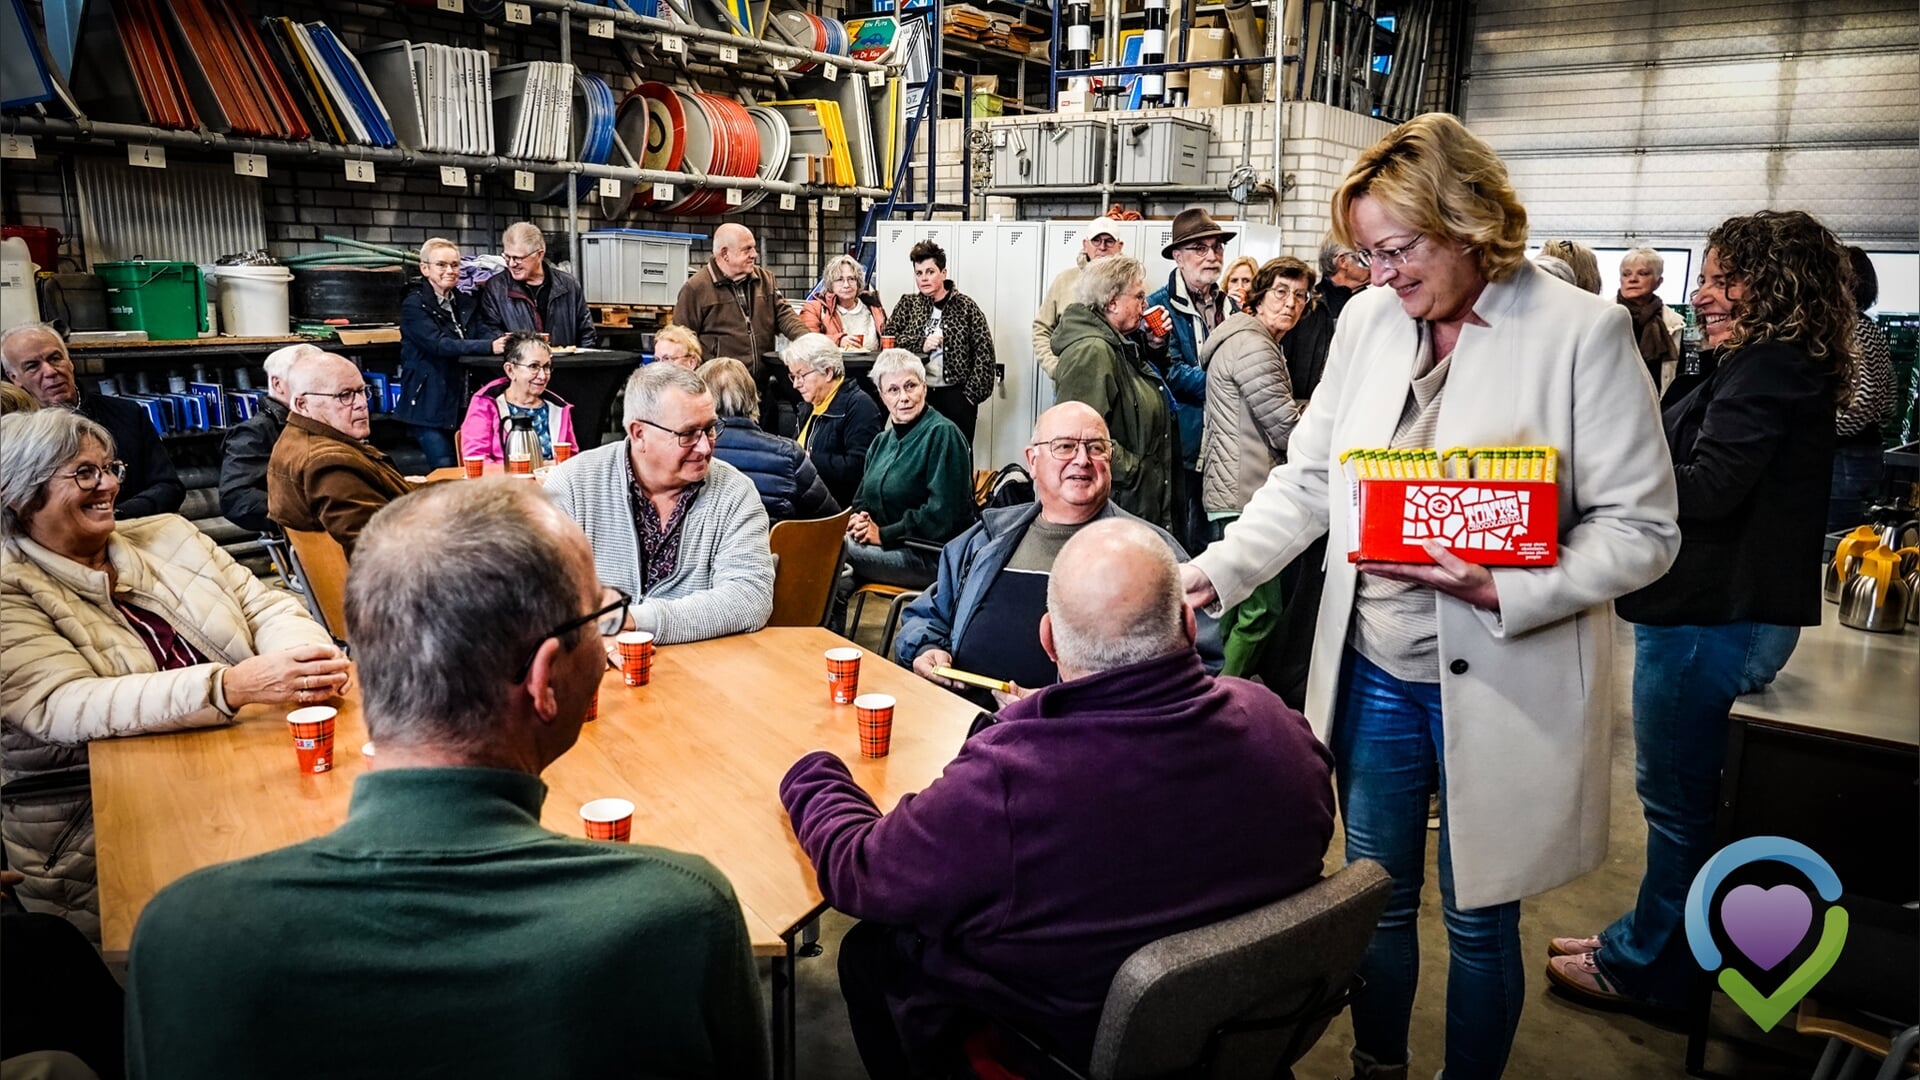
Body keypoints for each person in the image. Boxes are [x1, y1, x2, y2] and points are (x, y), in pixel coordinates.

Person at [1180, 113, 1681, 1080]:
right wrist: (1220, 569)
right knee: (1376, 900)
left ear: (1469, 220)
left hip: (1505, 671)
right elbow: (1311, 478)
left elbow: (1644, 530)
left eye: (1398, 249)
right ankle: (1378, 1067)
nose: (1381, 275)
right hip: (1376, 667)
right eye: (1368, 255)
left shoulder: (1582, 332)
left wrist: (1507, 585)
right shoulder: (1370, 322)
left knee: (1481, 917)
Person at [123, 479, 769, 1079]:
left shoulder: (184, 937)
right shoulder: (677, 918)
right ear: (543, 681)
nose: (605, 647)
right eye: (598, 618)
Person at [783, 518, 1335, 1078]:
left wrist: (812, 772)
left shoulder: (1013, 780)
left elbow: (861, 872)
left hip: (1061, 1046)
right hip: (1242, 1034)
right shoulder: (1282, 730)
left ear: (1048, 640)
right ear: (1189, 625)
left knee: (871, 955)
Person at [1546, 210, 1855, 1016]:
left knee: (1678, 804)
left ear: (1774, 285)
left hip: (1713, 616)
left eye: (1723, 279)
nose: (1704, 294)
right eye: (1706, 279)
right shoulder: (1761, 363)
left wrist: (1593, 485)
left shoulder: (1768, 369)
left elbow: (1710, 487)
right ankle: (1643, 937)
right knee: (1680, 800)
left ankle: (1649, 969)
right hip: (1717, 612)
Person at [0, 409, 346, 941]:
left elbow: (266, 606)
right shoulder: (9, 587)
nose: (110, 485)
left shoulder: (169, 534)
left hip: (244, 767)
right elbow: (59, 704)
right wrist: (227, 687)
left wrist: (301, 665)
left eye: (109, 468)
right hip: (104, 821)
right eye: (84, 473)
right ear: (21, 496)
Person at [895, 402, 1209, 706]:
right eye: (1065, 446)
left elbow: (1201, 663)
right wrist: (925, 647)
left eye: (1096, 448)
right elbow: (927, 615)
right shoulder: (985, 540)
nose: (1082, 459)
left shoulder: (1149, 554)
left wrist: (1070, 707)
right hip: (963, 723)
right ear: (1032, 461)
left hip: (1085, 736)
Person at [543, 363, 774, 643]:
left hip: (702, 664)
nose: (704, 447)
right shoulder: (574, 484)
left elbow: (750, 598)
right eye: (688, 434)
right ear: (639, 433)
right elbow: (540, 593)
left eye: (710, 429)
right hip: (597, 661)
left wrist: (632, 620)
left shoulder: (734, 492)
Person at [1199, 257, 1306, 678]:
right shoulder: (1255, 346)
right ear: (1257, 298)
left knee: (1231, 604)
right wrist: (1313, 417)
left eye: (1300, 295)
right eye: (1280, 292)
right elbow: (1285, 431)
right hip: (1246, 491)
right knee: (1261, 609)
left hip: (1233, 488)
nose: (1291, 303)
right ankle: (1222, 694)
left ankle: (1206, 685)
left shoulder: (1249, 339)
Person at [836, 350, 973, 612]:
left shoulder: (943, 434)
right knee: (837, 579)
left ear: (924, 387)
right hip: (893, 548)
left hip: (933, 557)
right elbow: (862, 498)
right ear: (881, 396)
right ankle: (826, 635)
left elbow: (942, 515)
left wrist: (883, 535)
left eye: (910, 386)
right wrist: (859, 519)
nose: (904, 397)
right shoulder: (881, 441)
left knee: (835, 551)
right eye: (893, 390)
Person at [0, 324, 183, 519]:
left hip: (131, 526)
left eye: (55, 358)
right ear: (14, 378)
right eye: (32, 366)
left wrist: (114, 516)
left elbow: (169, 487)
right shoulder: (14, 439)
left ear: (70, 362)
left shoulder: (127, 414)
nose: (50, 371)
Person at [1050, 256, 1176, 531]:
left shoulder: (1120, 346)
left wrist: (1153, 346)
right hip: (1113, 506)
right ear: (1111, 302)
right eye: (1139, 296)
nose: (1145, 305)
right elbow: (1077, 435)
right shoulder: (1092, 351)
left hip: (1127, 502)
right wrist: (1134, 471)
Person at [1147, 209, 1239, 551]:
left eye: (1217, 247)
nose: (1212, 256)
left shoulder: (1230, 307)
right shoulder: (1159, 307)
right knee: (1180, 537)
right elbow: (1169, 373)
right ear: (1178, 256)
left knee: (1214, 537)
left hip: (1224, 441)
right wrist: (1226, 384)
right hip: (1182, 443)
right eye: (1200, 248)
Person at [266, 351, 414, 558]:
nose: (362, 403)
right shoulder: (328, 463)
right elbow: (376, 548)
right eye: (344, 395)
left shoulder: (298, 439)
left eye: (362, 391)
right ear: (302, 404)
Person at [672, 223, 810, 431]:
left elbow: (784, 315)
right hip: (721, 396)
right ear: (725, 254)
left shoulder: (765, 280)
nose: (754, 254)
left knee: (767, 440)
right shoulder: (695, 289)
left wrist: (810, 341)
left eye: (753, 248)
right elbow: (681, 340)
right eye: (747, 249)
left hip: (760, 389)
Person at [396, 238, 508, 468]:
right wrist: (489, 346)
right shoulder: (414, 305)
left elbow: (482, 331)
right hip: (428, 402)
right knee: (445, 465)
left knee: (471, 465)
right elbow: (439, 344)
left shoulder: (466, 302)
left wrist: (504, 338)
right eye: (441, 265)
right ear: (425, 268)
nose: (450, 270)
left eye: (455, 265)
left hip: (461, 401)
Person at [700, 357, 838, 523]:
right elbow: (831, 519)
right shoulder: (788, 454)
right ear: (752, 395)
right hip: (777, 539)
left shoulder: (692, 453)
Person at [884, 241, 995, 444]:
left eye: (930, 272)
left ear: (943, 273)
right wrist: (921, 344)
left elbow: (985, 354)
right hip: (916, 395)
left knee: (956, 453)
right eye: (919, 273)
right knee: (916, 452)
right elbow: (889, 342)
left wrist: (969, 397)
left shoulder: (966, 307)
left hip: (956, 395)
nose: (924, 278)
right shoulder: (908, 305)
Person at [1828, 245, 1898, 533]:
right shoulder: (1871, 329)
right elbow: (1889, 398)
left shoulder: (1849, 330)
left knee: (1837, 538)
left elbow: (1860, 401)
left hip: (1845, 458)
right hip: (1866, 452)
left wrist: (1822, 430)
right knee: (1855, 536)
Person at [218, 342, 319, 535]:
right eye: (307, 378)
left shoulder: (328, 421)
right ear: (277, 384)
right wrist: (311, 512)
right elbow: (237, 499)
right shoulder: (254, 433)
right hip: (306, 536)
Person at [786, 333, 884, 508]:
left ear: (828, 372)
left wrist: (809, 459)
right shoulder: (809, 405)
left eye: (801, 375)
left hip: (838, 509)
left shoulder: (860, 406)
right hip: (805, 501)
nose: (796, 384)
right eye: (793, 376)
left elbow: (860, 468)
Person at [458, 332, 578, 464]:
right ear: (510, 370)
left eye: (546, 367)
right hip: (502, 478)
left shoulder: (558, 408)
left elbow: (572, 460)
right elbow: (477, 460)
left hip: (553, 477)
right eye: (534, 366)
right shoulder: (486, 404)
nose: (543, 376)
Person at [473, 222, 595, 348]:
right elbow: (488, 331)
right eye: (507, 257)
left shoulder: (569, 285)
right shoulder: (496, 288)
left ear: (539, 255)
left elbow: (586, 332)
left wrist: (582, 359)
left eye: (518, 258)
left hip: (564, 360)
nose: (511, 264)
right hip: (517, 360)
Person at [1031, 216, 1125, 378]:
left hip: (1117, 382)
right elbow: (1041, 329)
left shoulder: (1131, 284)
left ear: (1120, 246)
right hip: (1070, 381)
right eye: (1096, 241)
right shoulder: (1064, 281)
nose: (1102, 247)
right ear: (1085, 245)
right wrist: (1056, 368)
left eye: (1109, 241)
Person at [1615, 246, 1684, 397]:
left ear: (1658, 282)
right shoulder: (1605, 315)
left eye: (1643, 273)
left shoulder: (1673, 323)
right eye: (1626, 274)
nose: (1632, 279)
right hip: (1613, 400)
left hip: (1656, 402)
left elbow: (1677, 371)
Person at [803, 254, 887, 350]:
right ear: (830, 284)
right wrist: (838, 341)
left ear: (858, 283)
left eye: (851, 279)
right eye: (840, 280)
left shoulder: (873, 307)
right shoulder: (815, 308)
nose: (846, 285)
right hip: (831, 360)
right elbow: (807, 341)